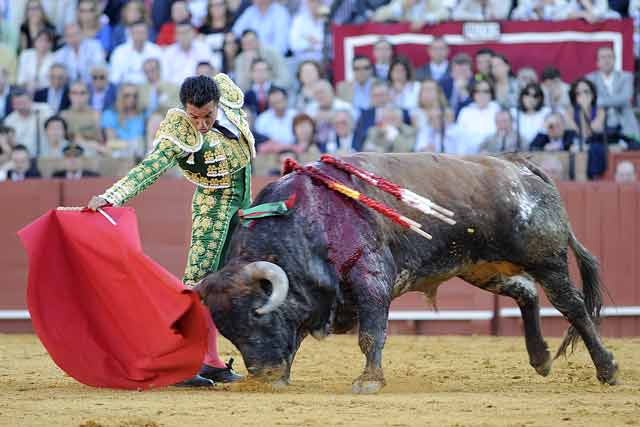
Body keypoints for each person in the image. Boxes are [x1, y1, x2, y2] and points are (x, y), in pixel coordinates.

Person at [87, 74, 254, 387]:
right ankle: (180, 361)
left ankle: (211, 361)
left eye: (208, 116)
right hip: (213, 207)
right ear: (185, 110)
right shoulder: (178, 131)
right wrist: (112, 196)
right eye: (195, 117)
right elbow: (148, 170)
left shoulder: (229, 100)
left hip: (244, 205)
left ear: (218, 104)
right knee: (198, 284)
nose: (201, 124)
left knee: (225, 284)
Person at [586, 46, 640, 141]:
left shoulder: (626, 77)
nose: (607, 60)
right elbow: (588, 100)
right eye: (603, 57)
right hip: (600, 123)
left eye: (609, 57)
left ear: (614, 60)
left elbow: (625, 97)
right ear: (597, 62)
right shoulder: (590, 79)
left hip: (624, 123)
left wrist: (600, 101)